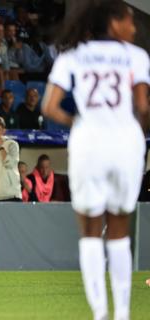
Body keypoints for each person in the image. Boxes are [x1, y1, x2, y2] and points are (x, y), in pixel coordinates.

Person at [41, 2, 149, 319]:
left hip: (90, 141)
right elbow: (143, 107)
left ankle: (100, 314)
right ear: (114, 23)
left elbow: (49, 106)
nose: (134, 27)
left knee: (90, 231)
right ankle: (123, 313)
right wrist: (132, 131)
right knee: (119, 229)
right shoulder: (137, 56)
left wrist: (79, 123)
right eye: (130, 21)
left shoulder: (73, 54)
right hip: (125, 141)